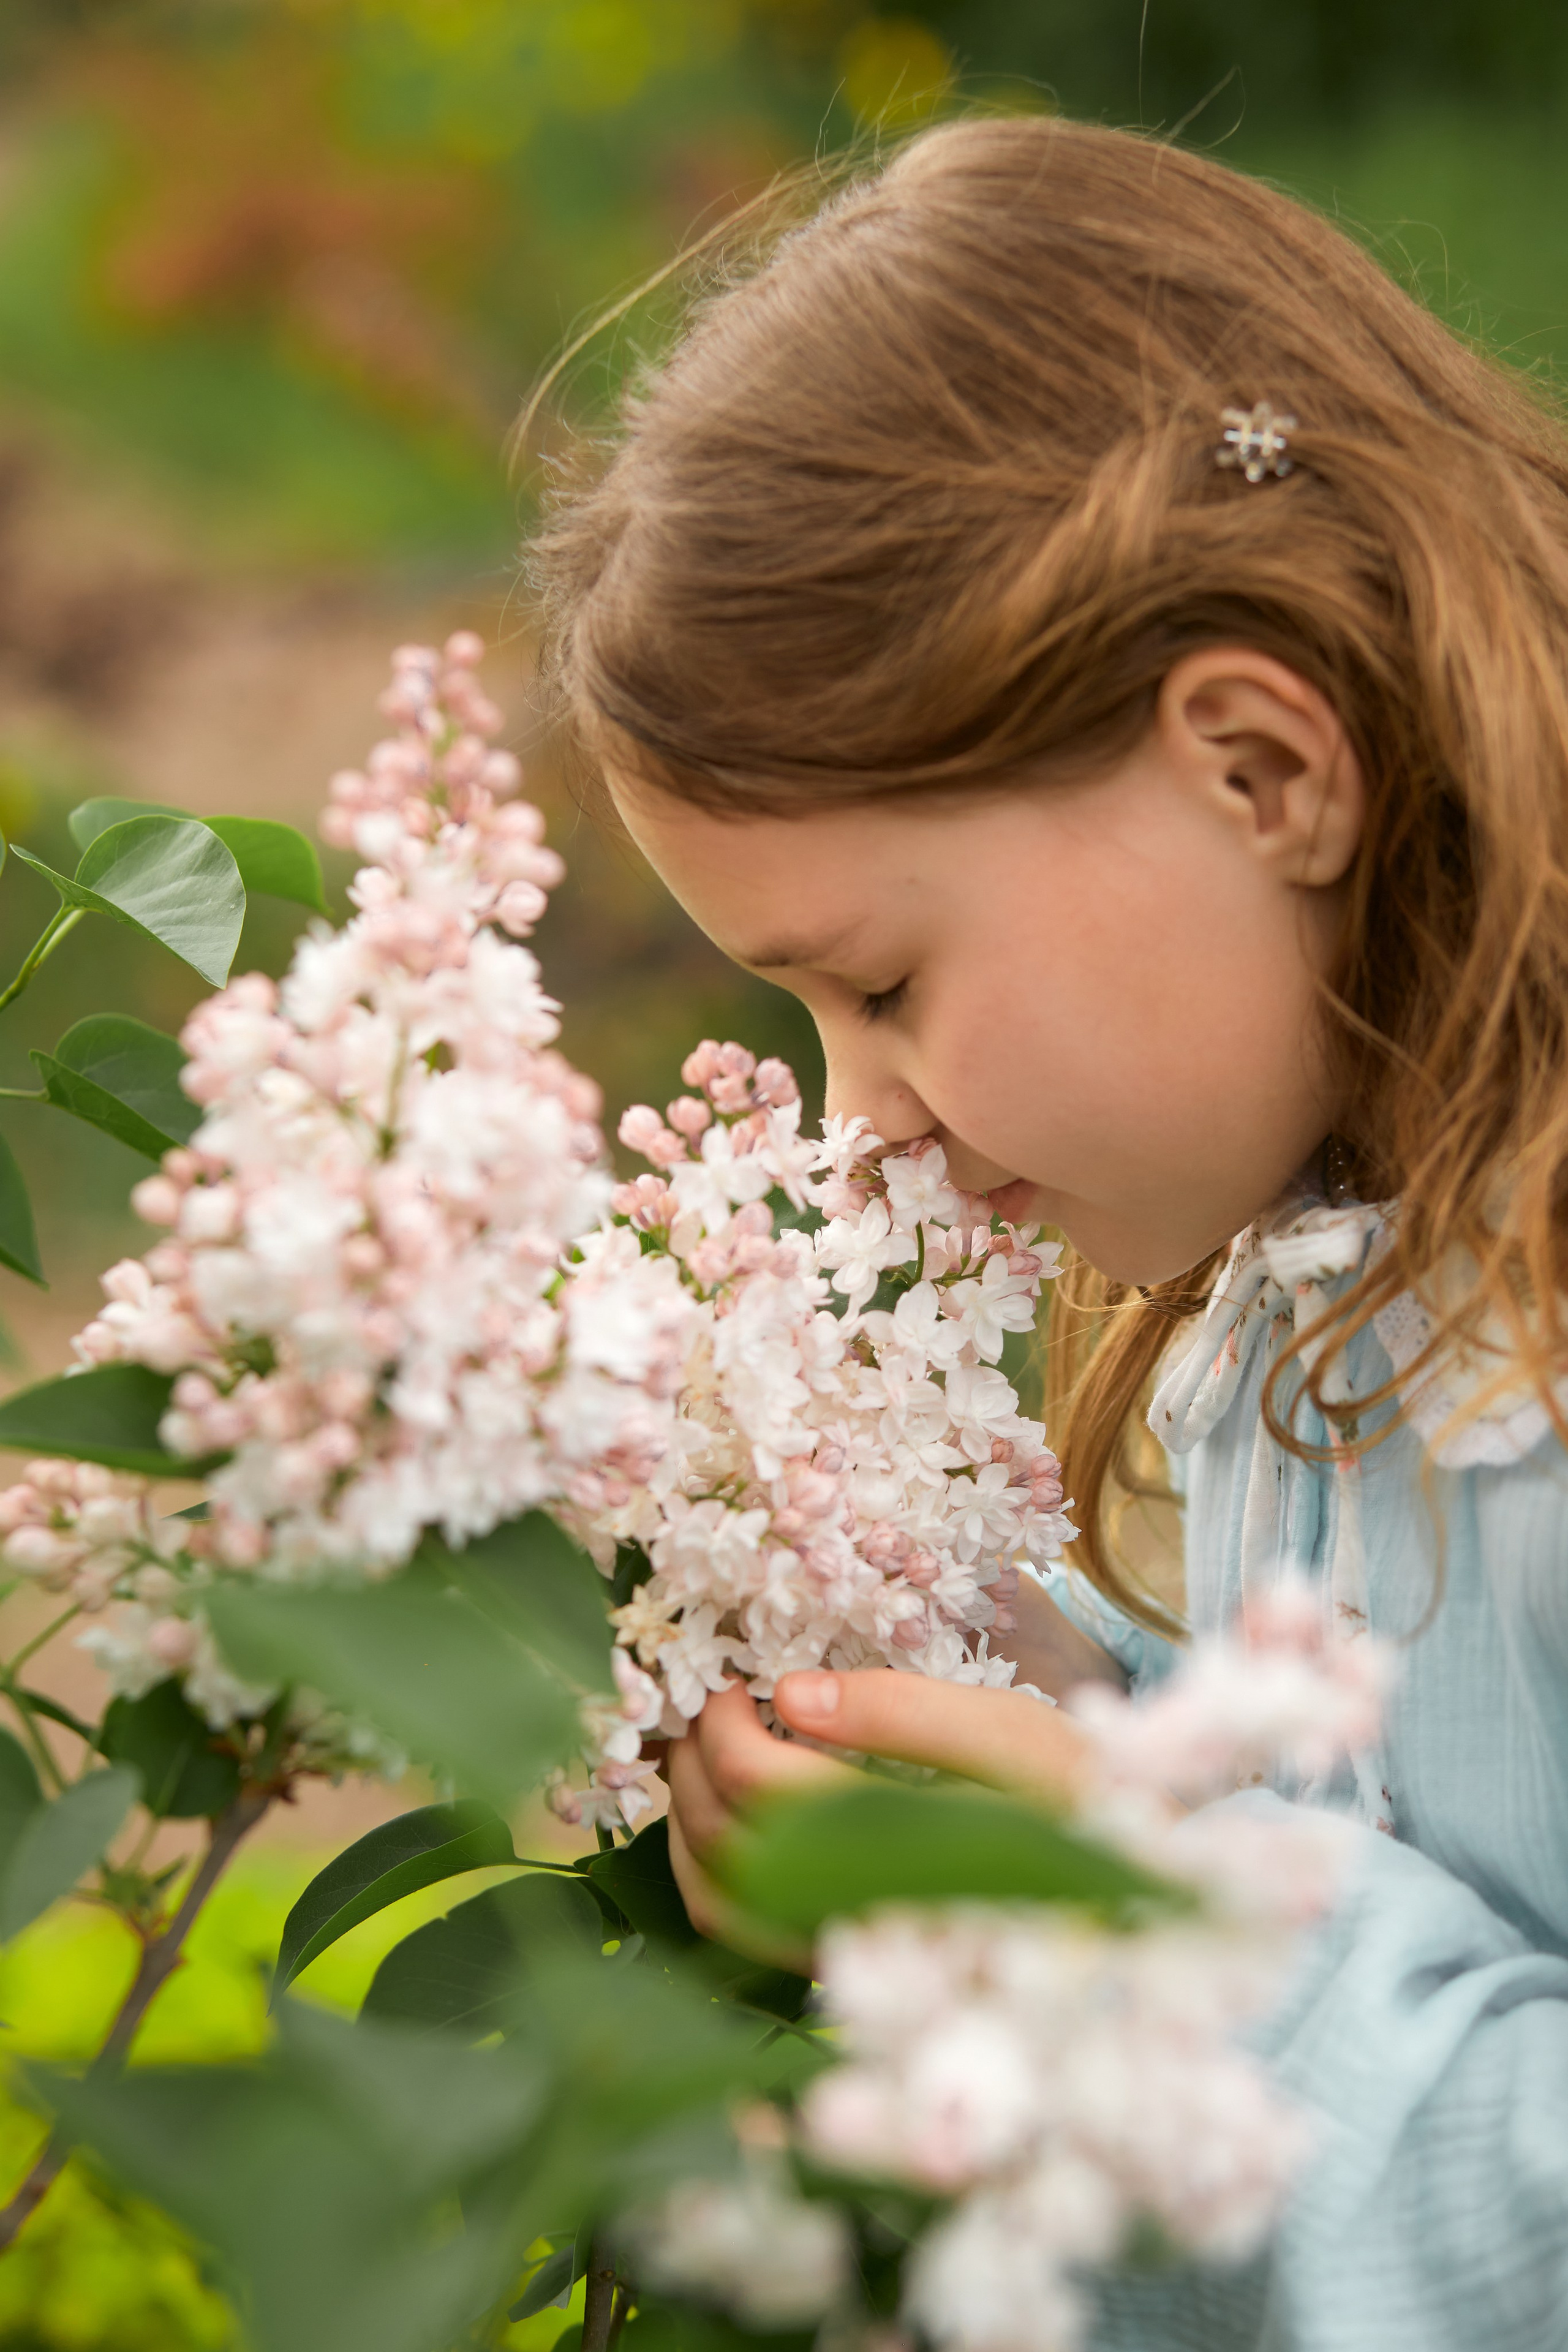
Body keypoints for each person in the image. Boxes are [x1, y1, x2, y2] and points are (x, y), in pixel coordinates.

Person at [532, 114, 1568, 2350]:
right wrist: (1077, 1716)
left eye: (883, 985)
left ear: (1262, 773)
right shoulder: (1321, 1277)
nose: (857, 1132)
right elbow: (1431, 1839)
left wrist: (1154, 1926)